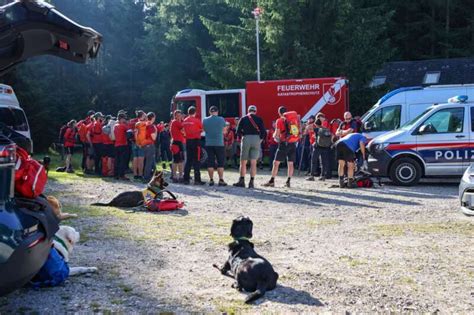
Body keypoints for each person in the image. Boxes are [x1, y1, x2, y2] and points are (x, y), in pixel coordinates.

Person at [263, 106, 300, 188]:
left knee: (276, 163)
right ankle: (288, 181)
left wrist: (274, 136)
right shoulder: (293, 119)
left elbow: (276, 134)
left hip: (284, 143)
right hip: (293, 143)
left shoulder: (279, 120)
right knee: (290, 163)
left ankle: (272, 181)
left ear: (279, 113)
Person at [233, 105, 266, 189]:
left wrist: (243, 136)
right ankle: (251, 182)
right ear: (255, 111)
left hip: (246, 138)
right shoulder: (259, 119)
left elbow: (237, 131)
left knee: (243, 162)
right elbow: (263, 131)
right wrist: (260, 139)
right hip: (256, 139)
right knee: (253, 162)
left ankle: (242, 181)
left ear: (248, 111)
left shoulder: (243, 119)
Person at [202, 106, 227, 186]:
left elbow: (205, 130)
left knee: (210, 162)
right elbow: (225, 131)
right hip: (219, 143)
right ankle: (221, 180)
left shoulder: (205, 120)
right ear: (217, 111)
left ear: (210, 112)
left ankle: (211, 180)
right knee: (220, 162)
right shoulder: (221, 119)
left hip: (209, 143)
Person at [182, 106, 205, 185]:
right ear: (195, 112)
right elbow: (202, 129)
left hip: (188, 141)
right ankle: (197, 180)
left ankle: (186, 179)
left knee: (188, 160)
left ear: (188, 112)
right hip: (196, 142)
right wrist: (198, 131)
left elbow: (183, 131)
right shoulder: (196, 120)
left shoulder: (184, 121)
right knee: (197, 160)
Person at [307, 113, 333, 181]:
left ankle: (312, 176)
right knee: (323, 162)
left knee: (314, 161)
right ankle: (323, 176)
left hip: (317, 146)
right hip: (325, 147)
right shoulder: (325, 129)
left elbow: (308, 129)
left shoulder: (316, 129)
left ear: (315, 124)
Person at [170, 110, 185, 183]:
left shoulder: (177, 122)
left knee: (179, 160)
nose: (179, 117)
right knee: (177, 161)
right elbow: (184, 130)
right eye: (178, 115)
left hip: (178, 142)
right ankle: (177, 176)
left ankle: (178, 176)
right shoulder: (175, 122)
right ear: (175, 116)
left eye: (180, 115)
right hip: (176, 143)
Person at [114, 113, 129, 180]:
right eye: (124, 118)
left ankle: (116, 174)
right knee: (123, 161)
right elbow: (129, 131)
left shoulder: (115, 126)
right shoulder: (123, 126)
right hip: (123, 144)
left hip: (116, 144)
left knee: (117, 160)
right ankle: (122, 175)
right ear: (122, 119)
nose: (125, 119)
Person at [142, 112, 158, 181]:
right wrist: (156, 131)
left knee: (146, 161)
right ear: (153, 118)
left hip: (144, 144)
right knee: (149, 161)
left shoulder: (144, 124)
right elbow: (153, 137)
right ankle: (147, 177)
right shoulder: (151, 126)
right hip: (150, 144)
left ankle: (148, 175)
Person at [134, 111, 148, 180]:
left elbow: (136, 133)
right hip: (141, 143)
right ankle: (140, 174)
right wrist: (138, 143)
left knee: (136, 159)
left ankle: (135, 174)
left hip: (136, 143)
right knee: (141, 160)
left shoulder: (137, 123)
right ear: (142, 115)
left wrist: (136, 142)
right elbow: (136, 134)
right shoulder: (143, 123)